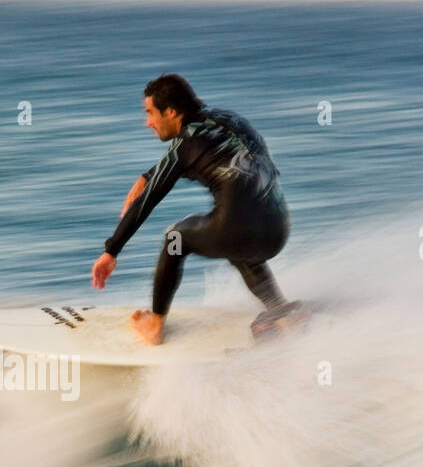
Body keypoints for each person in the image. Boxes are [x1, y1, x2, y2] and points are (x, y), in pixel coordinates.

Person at [91, 73, 307, 344]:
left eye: (150, 113)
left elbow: (148, 200)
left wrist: (111, 250)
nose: (148, 123)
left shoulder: (185, 146)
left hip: (241, 232)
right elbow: (199, 155)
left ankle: (155, 325)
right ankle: (281, 312)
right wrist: (148, 176)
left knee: (176, 238)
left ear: (170, 111)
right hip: (277, 228)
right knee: (238, 242)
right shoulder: (230, 119)